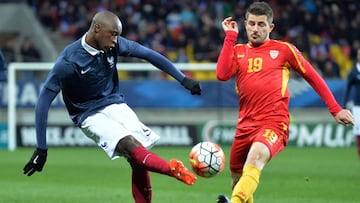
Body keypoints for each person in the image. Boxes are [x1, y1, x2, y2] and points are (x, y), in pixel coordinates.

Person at [23, 10, 201, 203]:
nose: (116, 40)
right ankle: (171, 169)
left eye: (118, 35)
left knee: (138, 159)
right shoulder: (68, 61)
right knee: (129, 145)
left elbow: (148, 54)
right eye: (113, 34)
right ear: (97, 29)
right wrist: (41, 148)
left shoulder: (113, 45)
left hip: (115, 103)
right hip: (88, 114)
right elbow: (43, 101)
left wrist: (183, 79)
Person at [215, 2, 353, 203]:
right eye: (251, 24)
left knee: (255, 159)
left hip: (274, 123)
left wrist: (335, 109)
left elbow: (313, 77)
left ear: (271, 27)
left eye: (261, 24)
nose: (255, 29)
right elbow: (222, 74)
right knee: (238, 179)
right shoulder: (238, 51)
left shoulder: (284, 50)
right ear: (245, 24)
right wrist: (229, 37)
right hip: (245, 125)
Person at [343, 48, 360, 159]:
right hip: (358, 106)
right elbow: (347, 90)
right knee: (358, 132)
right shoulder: (353, 73)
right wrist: (343, 106)